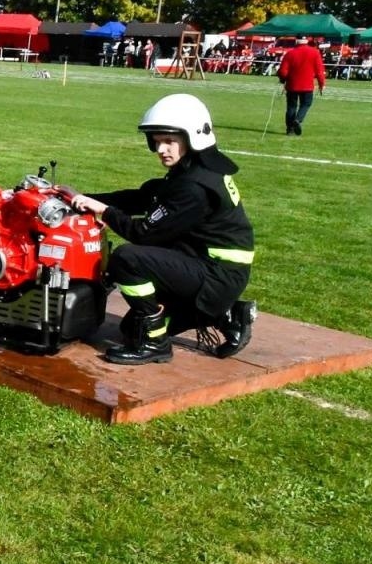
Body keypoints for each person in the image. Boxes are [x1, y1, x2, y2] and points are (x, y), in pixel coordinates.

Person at [67, 93, 256, 366]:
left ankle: (155, 343)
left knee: (127, 258)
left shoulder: (194, 187)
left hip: (215, 274)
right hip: (209, 267)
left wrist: (103, 211)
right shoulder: (196, 170)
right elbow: (142, 197)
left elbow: (143, 232)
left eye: (169, 141)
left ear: (192, 137)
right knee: (130, 330)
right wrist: (82, 198)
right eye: (156, 142)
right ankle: (224, 315)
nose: (161, 150)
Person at [277, 37, 325, 136]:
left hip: (292, 85)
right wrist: (321, 84)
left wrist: (283, 80)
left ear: (296, 42)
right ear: (306, 42)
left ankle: (290, 129)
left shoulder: (290, 53)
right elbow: (320, 71)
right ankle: (298, 120)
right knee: (306, 104)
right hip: (307, 86)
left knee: (291, 107)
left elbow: (282, 71)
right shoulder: (315, 53)